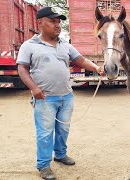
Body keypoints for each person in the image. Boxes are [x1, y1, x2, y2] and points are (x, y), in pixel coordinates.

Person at [17, 7, 104, 180]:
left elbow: (80, 59)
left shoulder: (65, 44)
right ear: (40, 23)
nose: (58, 26)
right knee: (45, 133)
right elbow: (22, 68)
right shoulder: (29, 45)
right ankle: (43, 165)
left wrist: (95, 67)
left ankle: (60, 154)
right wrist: (34, 88)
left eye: (59, 22)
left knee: (63, 129)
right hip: (45, 98)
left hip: (66, 96)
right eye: (53, 21)